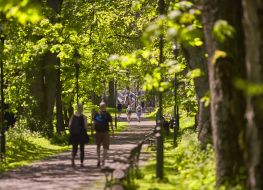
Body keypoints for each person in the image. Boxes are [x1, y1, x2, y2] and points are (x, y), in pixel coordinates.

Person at [93, 102, 114, 167]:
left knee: (98, 147)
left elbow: (94, 123)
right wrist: (113, 132)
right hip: (106, 132)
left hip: (98, 132)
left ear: (99, 107)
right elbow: (111, 124)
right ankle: (103, 160)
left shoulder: (96, 114)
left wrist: (92, 132)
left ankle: (98, 159)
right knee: (105, 147)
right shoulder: (107, 114)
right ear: (105, 107)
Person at [69, 103, 88, 167]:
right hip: (81, 134)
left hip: (74, 134)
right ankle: (81, 162)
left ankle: (73, 159)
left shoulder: (73, 116)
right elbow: (85, 126)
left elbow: (69, 125)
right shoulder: (84, 117)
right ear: (82, 109)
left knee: (74, 148)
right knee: (82, 148)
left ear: (76, 108)